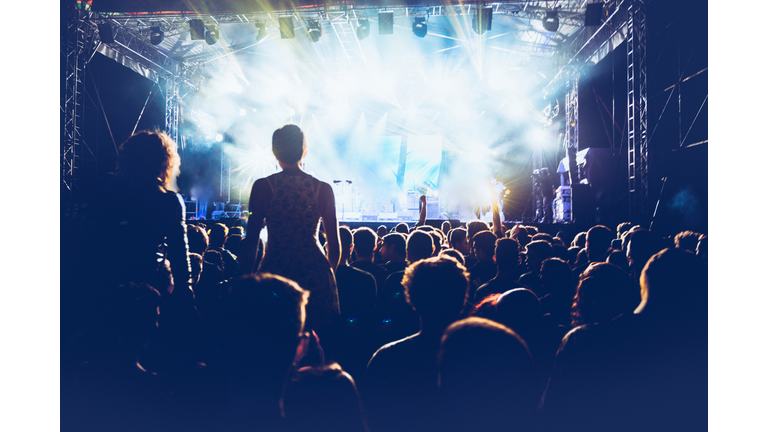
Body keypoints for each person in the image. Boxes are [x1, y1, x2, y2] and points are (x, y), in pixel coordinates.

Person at [239, 124, 341, 333]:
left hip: (277, 267)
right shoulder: (323, 189)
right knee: (316, 338)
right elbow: (335, 246)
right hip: (314, 269)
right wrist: (325, 274)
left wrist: (245, 279)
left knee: (273, 337)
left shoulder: (262, 187)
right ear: (304, 150)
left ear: (275, 152)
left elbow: (251, 242)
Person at [363, 256, 469, 432]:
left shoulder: (386, 359)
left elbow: (370, 419)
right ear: (463, 299)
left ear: (411, 300)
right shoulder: (481, 359)